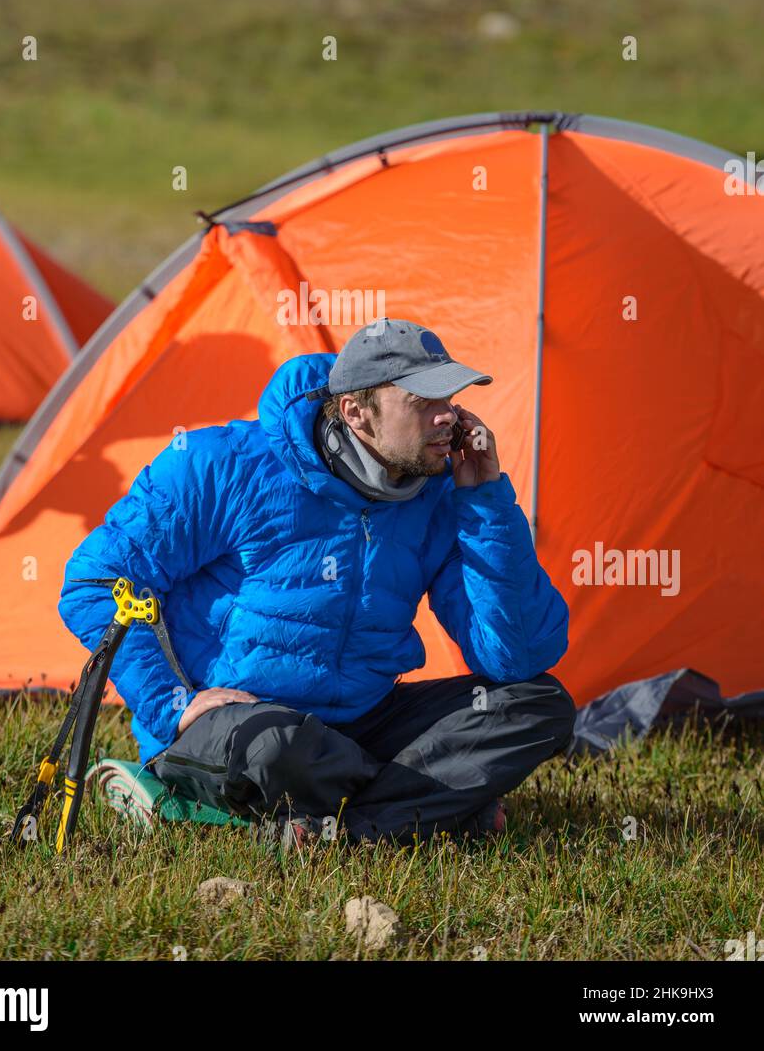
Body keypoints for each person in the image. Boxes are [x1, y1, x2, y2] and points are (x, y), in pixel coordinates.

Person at [59, 318, 575, 848]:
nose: (448, 416)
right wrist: (171, 702)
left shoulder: (441, 495)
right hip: (240, 722)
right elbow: (95, 580)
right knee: (278, 749)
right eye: (422, 400)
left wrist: (486, 502)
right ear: (356, 412)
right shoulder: (225, 464)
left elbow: (512, 659)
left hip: (360, 721)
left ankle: (342, 827)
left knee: (537, 705)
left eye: (449, 395)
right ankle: (423, 805)